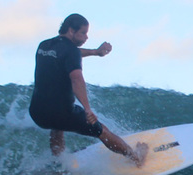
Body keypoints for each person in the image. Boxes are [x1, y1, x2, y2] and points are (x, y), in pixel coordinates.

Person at [29, 13, 147, 165]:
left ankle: (59, 165)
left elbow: (68, 53)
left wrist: (95, 52)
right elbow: (76, 78)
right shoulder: (70, 50)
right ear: (71, 31)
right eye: (83, 33)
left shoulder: (44, 45)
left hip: (38, 113)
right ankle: (136, 158)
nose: (86, 37)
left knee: (56, 126)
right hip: (61, 113)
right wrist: (87, 109)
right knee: (101, 130)